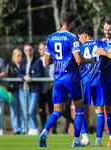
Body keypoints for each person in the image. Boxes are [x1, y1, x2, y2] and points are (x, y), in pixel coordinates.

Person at [39, 12, 94, 147]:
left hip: (58, 78)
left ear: (61, 21)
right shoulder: (73, 38)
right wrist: (90, 61)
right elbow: (78, 60)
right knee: (79, 110)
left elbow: (46, 61)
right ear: (72, 23)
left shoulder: (50, 38)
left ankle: (44, 132)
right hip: (72, 77)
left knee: (57, 111)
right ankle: (76, 141)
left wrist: (60, 59)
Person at [77, 24, 111, 146]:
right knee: (99, 111)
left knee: (80, 110)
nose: (79, 39)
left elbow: (76, 63)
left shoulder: (80, 48)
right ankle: (98, 141)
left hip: (84, 82)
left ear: (85, 36)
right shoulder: (101, 43)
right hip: (99, 82)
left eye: (80, 37)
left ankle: (85, 137)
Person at [18, 43, 44, 135]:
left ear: (33, 50)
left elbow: (40, 73)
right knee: (25, 111)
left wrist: (31, 77)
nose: (28, 52)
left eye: (30, 50)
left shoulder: (38, 61)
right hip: (23, 89)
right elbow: (19, 73)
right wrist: (24, 77)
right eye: (26, 50)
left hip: (34, 89)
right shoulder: (23, 61)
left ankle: (35, 127)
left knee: (31, 110)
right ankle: (30, 128)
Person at [38, 41, 57, 134]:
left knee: (53, 110)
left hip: (52, 88)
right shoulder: (39, 61)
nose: (40, 51)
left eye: (43, 49)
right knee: (41, 110)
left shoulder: (54, 60)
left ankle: (54, 130)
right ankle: (43, 129)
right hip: (42, 88)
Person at [6, 48, 23, 134]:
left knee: (24, 109)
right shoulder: (10, 65)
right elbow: (8, 76)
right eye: (18, 55)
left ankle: (24, 128)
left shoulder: (24, 64)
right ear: (14, 56)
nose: (20, 57)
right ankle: (17, 129)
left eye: (21, 55)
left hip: (22, 89)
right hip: (13, 90)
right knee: (14, 109)